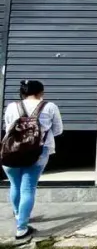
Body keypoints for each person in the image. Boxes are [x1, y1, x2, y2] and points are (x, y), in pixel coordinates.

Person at [2, 80, 62, 239]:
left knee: (15, 184)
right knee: (28, 187)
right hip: (38, 151)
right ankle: (21, 228)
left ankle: (18, 214)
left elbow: (8, 127)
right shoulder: (49, 107)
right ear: (41, 92)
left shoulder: (12, 106)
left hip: (11, 151)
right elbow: (58, 130)